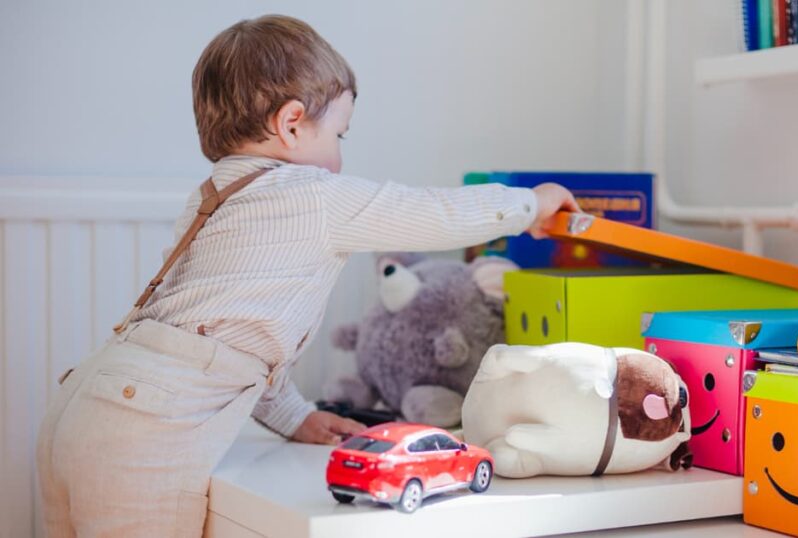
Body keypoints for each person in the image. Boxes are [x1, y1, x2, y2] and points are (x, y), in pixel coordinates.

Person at [36, 14, 579, 537]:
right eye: (340, 135)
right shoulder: (311, 195)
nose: (340, 155)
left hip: (82, 405)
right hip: (144, 436)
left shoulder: (211, 198)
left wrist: (296, 417)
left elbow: (234, 345)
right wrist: (530, 205)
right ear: (291, 123)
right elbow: (431, 213)